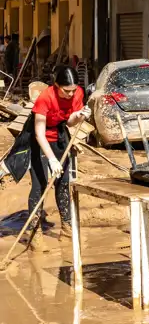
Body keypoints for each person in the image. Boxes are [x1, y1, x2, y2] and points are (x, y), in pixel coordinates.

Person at [28, 66, 91, 252]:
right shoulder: (46, 98)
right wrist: (51, 159)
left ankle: (66, 227)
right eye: (66, 91)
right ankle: (34, 233)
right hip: (39, 141)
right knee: (39, 185)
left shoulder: (77, 93)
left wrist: (79, 116)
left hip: (59, 136)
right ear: (56, 86)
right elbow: (39, 134)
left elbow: (70, 121)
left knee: (63, 183)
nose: (71, 94)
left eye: (73, 90)